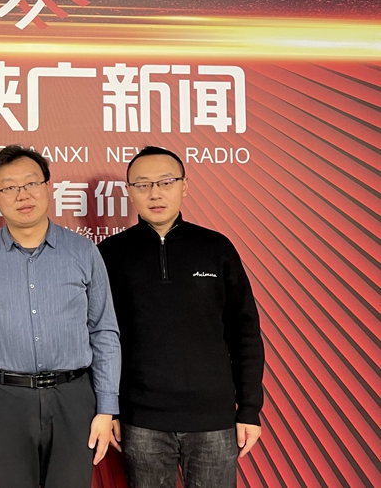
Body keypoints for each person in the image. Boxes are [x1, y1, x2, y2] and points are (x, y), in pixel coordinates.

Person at [0, 144, 121, 488]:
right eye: (9, 187)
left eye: (31, 183)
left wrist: (106, 407)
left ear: (48, 187)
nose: (22, 195)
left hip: (74, 398)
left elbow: (103, 331)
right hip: (2, 400)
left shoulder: (83, 251)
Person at [97, 146, 265, 488]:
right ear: (129, 191)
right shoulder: (109, 255)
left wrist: (249, 409)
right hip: (141, 419)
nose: (155, 193)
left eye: (166, 182)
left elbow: (244, 332)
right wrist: (109, 408)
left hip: (213, 419)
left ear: (184, 186)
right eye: (143, 184)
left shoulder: (216, 248)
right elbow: (101, 339)